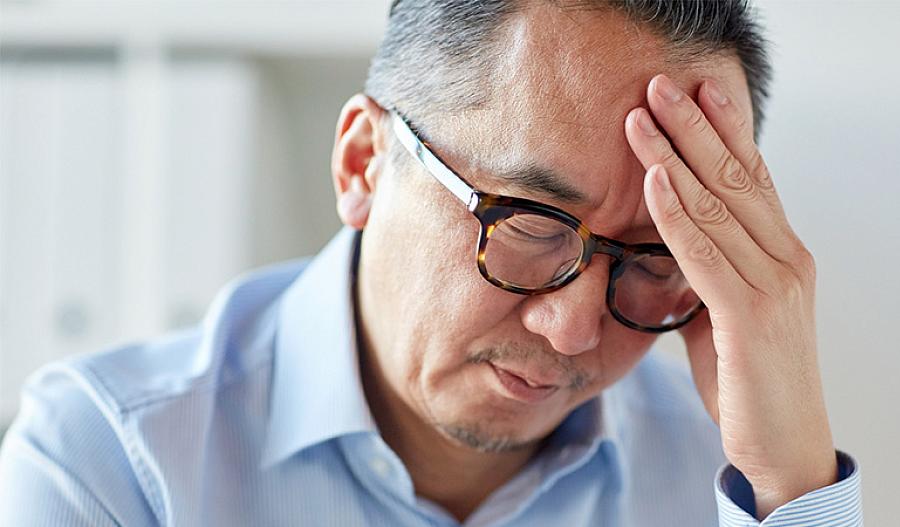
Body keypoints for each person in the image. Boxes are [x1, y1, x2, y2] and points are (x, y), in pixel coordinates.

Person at [0, 1, 863, 526]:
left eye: (652, 256)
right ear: (363, 163)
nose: (572, 327)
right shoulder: (111, 461)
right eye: (531, 221)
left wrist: (791, 485)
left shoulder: (721, 484)